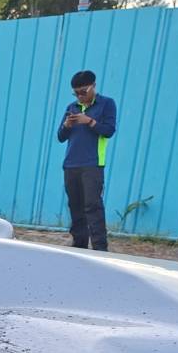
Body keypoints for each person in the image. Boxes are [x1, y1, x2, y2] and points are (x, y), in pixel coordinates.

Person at [57, 70, 117, 250]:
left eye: (83, 92)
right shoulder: (71, 108)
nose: (80, 96)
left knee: (92, 206)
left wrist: (89, 121)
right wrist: (66, 126)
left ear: (93, 86)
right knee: (75, 206)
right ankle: (79, 244)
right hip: (71, 164)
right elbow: (60, 137)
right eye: (76, 93)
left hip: (92, 164)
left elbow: (109, 130)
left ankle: (100, 248)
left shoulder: (106, 104)